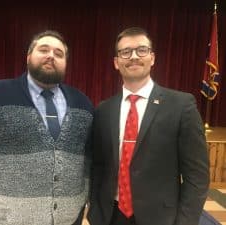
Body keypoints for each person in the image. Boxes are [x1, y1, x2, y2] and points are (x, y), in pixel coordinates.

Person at [0, 30, 93, 225]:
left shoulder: (82, 104)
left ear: (65, 63)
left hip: (68, 220)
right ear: (28, 57)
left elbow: (89, 158)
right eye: (44, 49)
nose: (51, 55)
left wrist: (82, 200)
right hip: (5, 220)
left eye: (59, 53)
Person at [87, 27, 209, 225]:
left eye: (141, 50)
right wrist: (95, 211)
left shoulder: (181, 105)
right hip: (110, 216)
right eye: (125, 52)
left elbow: (197, 176)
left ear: (152, 58)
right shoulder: (103, 110)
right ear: (116, 63)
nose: (134, 57)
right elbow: (98, 167)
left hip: (162, 219)